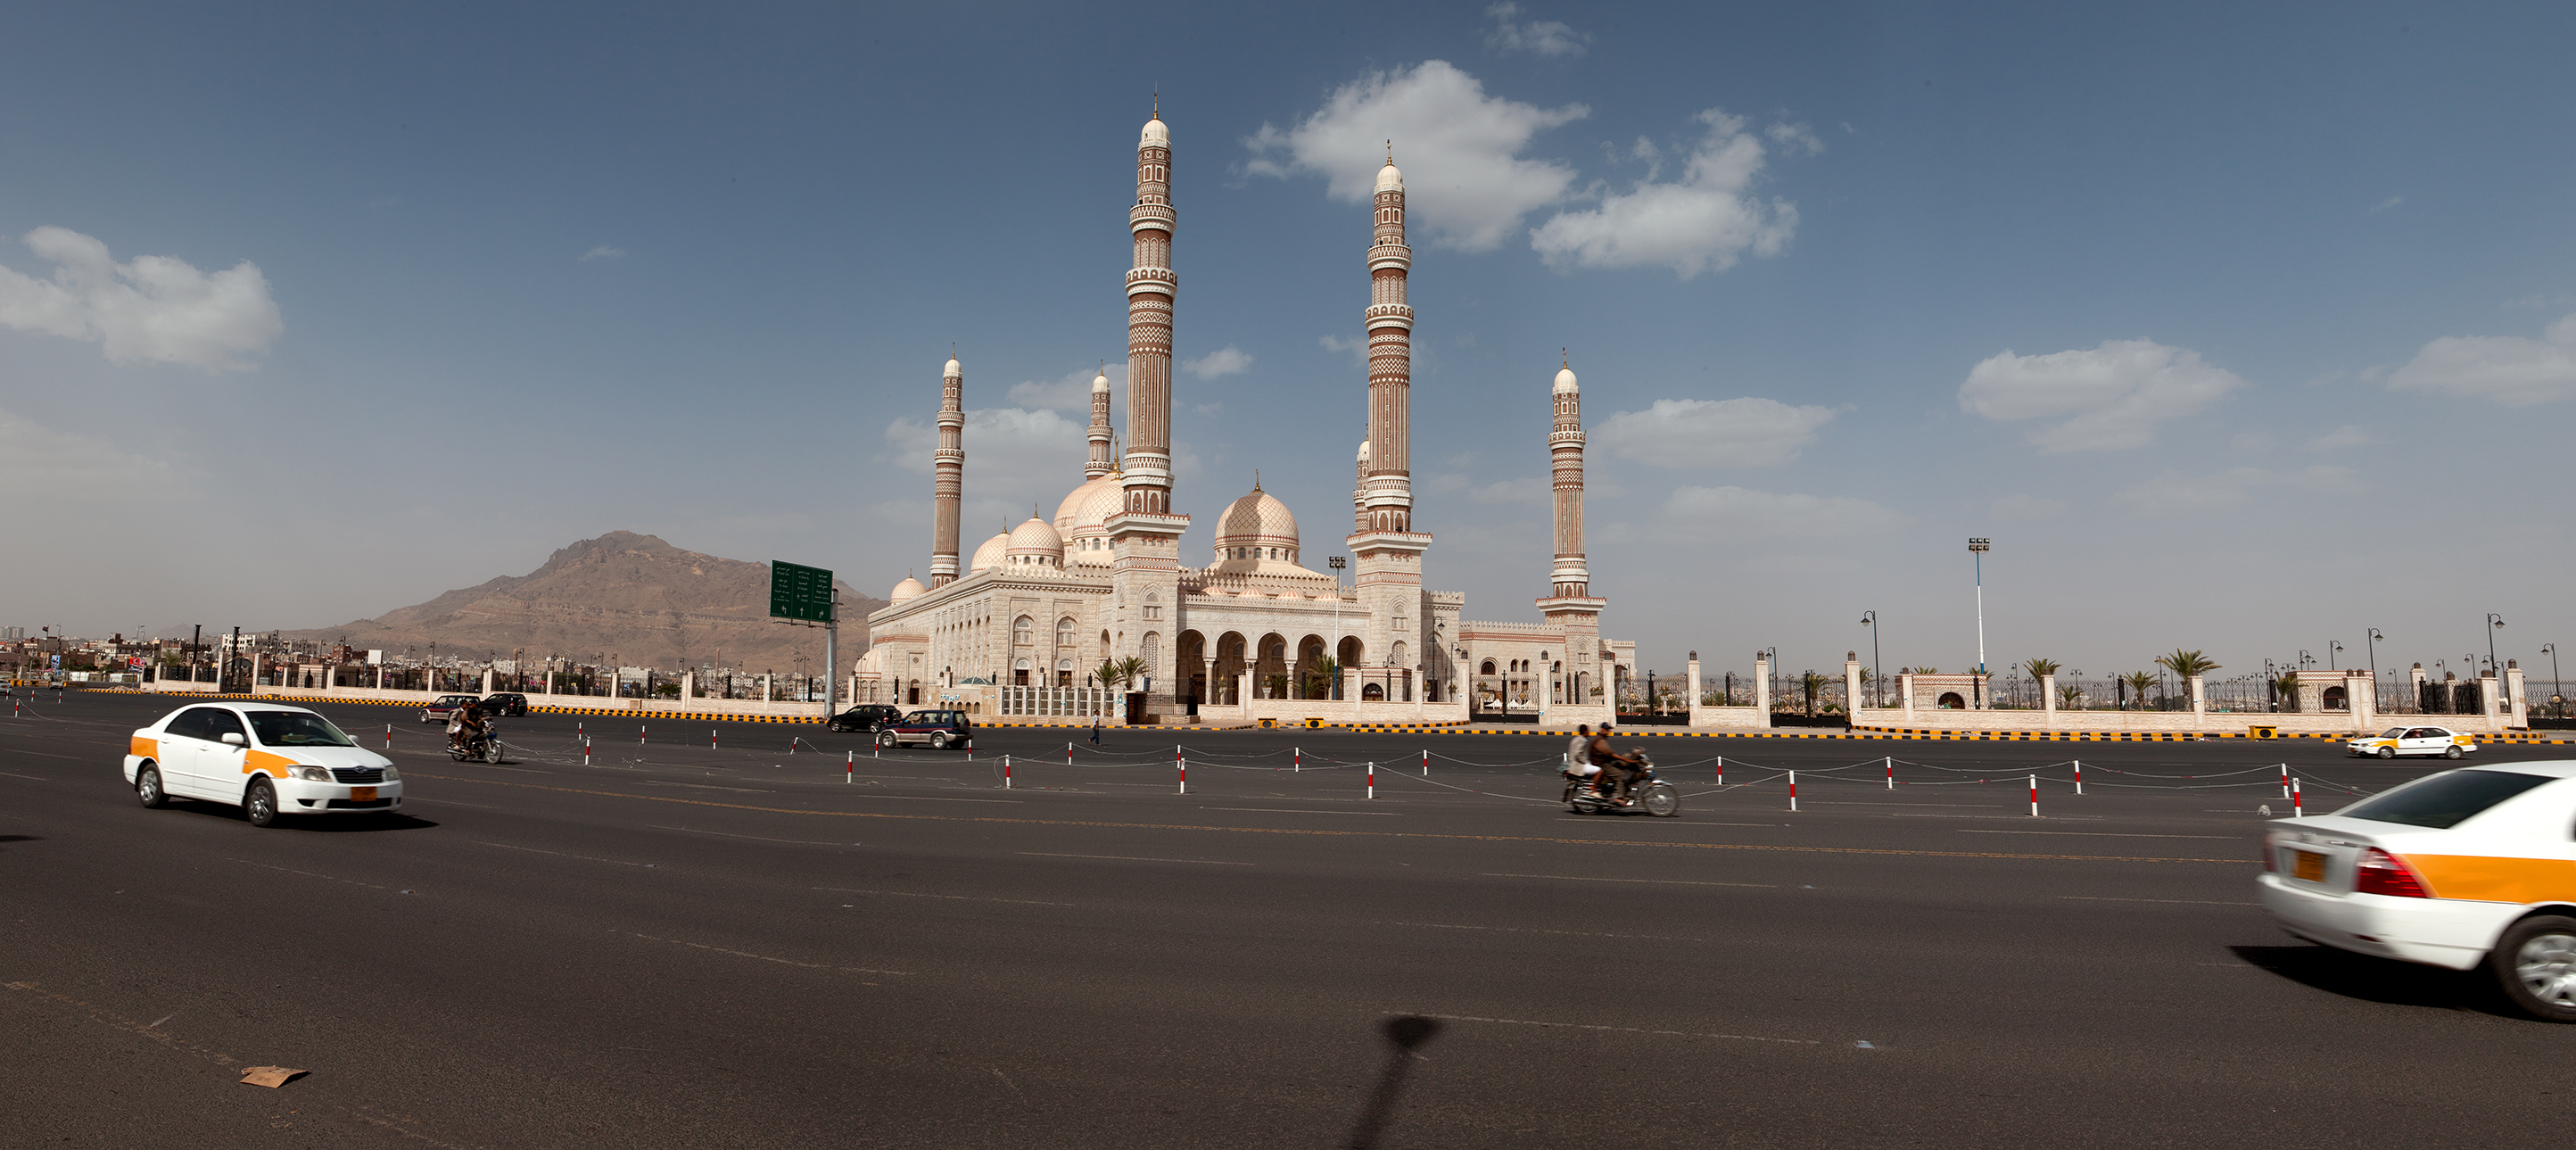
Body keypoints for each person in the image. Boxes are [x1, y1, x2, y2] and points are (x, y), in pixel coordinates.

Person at [1588, 723, 1642, 805]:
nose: (1608, 732)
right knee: (1621, 775)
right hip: (1602, 765)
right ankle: (1618, 797)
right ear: (1602, 730)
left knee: (1621, 767)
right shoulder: (1599, 740)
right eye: (1607, 730)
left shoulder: (1600, 739)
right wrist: (1627, 760)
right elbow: (1610, 753)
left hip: (1604, 763)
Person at [1562, 724, 1598, 801]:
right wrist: (1585, 762)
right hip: (1579, 766)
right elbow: (1578, 754)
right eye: (1588, 731)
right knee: (1599, 771)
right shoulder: (1582, 741)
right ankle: (1594, 791)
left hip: (1572, 764)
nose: (1589, 732)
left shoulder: (1575, 739)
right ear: (1585, 732)